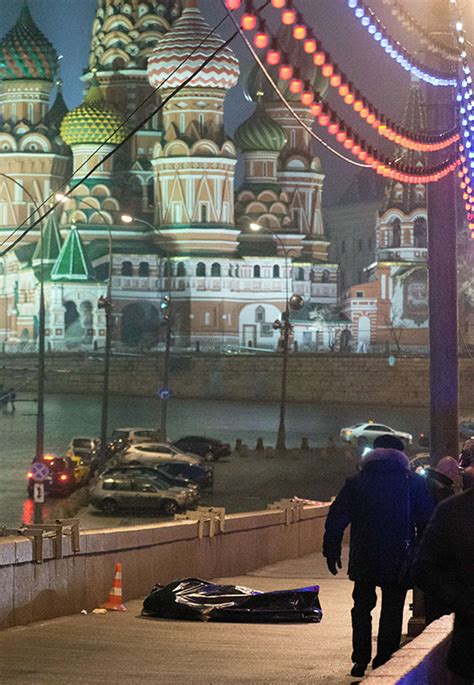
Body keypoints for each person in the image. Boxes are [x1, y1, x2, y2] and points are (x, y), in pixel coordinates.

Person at [323, 445, 434, 679]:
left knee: (362, 608)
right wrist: (424, 555)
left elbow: (337, 517)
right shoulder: (412, 482)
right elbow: (427, 521)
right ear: (401, 455)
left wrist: (331, 549)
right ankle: (384, 659)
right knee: (392, 610)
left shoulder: (357, 482)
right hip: (400, 558)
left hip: (365, 556)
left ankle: (360, 658)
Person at [413, 488, 474, 684]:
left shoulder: (454, 510)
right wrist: (463, 601)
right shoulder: (454, 510)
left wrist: (460, 600)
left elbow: (425, 569)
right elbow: (425, 569)